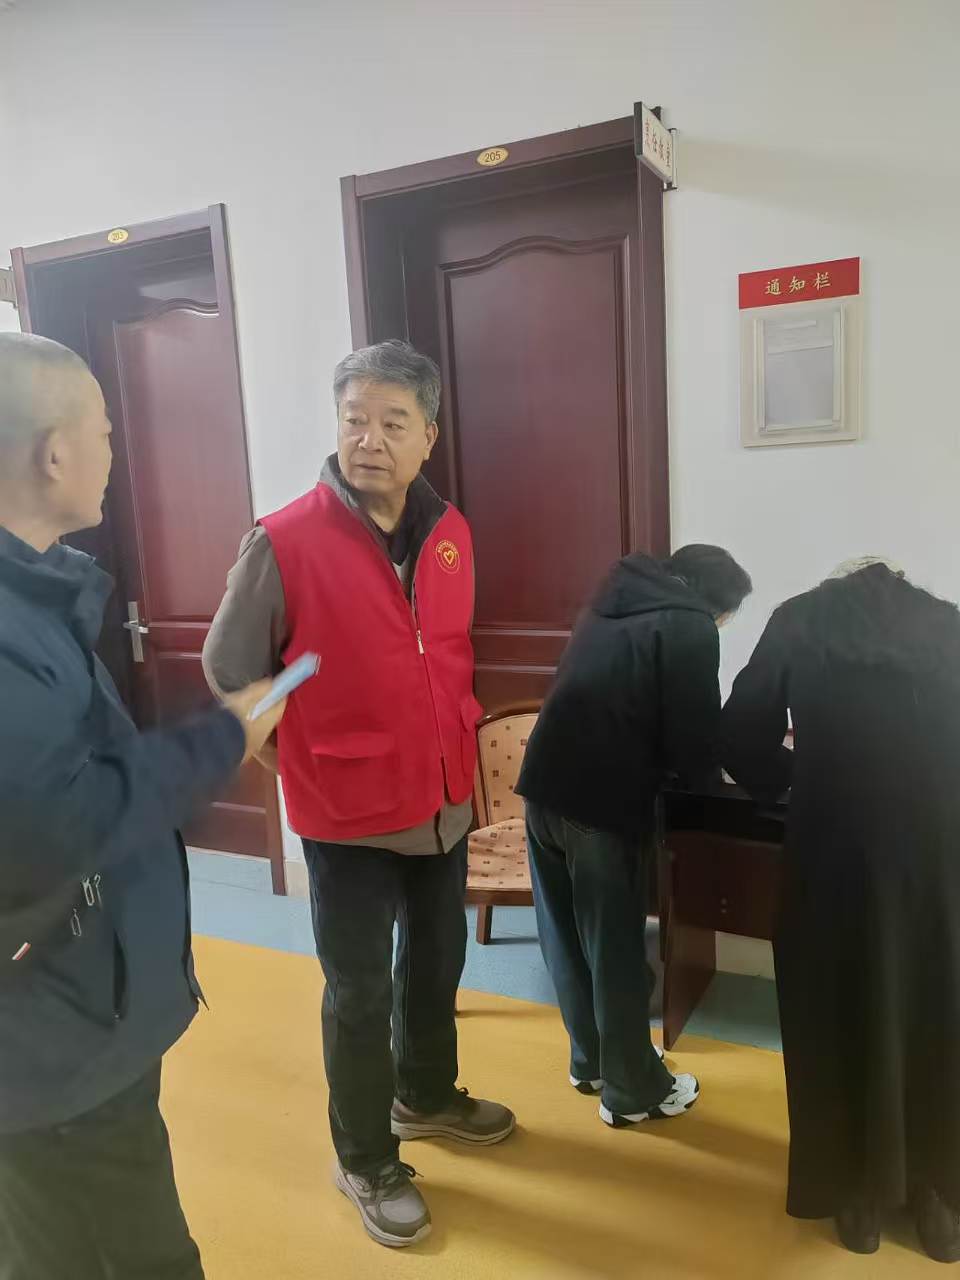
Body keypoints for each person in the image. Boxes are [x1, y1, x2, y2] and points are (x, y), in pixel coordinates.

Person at [203, 339, 514, 1249]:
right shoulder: (284, 538)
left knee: (438, 962)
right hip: (345, 816)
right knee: (358, 991)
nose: (369, 439)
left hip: (443, 798)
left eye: (391, 423)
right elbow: (232, 671)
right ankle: (366, 1157)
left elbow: (445, 655)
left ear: (428, 436)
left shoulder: (451, 533)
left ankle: (426, 1094)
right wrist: (291, 756)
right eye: (354, 420)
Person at [0, 334, 286, 1280]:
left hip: (80, 1012)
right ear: (54, 453)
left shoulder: (35, 595)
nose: (113, 452)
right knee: (124, 1254)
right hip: (52, 1046)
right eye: (105, 431)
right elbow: (58, 820)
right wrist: (224, 739)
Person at [722, 556, 960, 1263]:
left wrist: (805, 775)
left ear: (837, 582)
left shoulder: (799, 621)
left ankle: (855, 1194)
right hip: (942, 858)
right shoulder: (949, 625)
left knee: (834, 1008)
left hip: (835, 850)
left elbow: (740, 737)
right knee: (940, 1008)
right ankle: (939, 1196)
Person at [516, 545, 752, 1127]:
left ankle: (591, 1062)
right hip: (602, 803)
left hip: (543, 785)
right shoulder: (690, 625)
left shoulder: (612, 597)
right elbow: (693, 740)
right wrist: (717, 792)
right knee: (616, 950)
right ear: (714, 601)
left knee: (566, 937)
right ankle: (632, 1091)